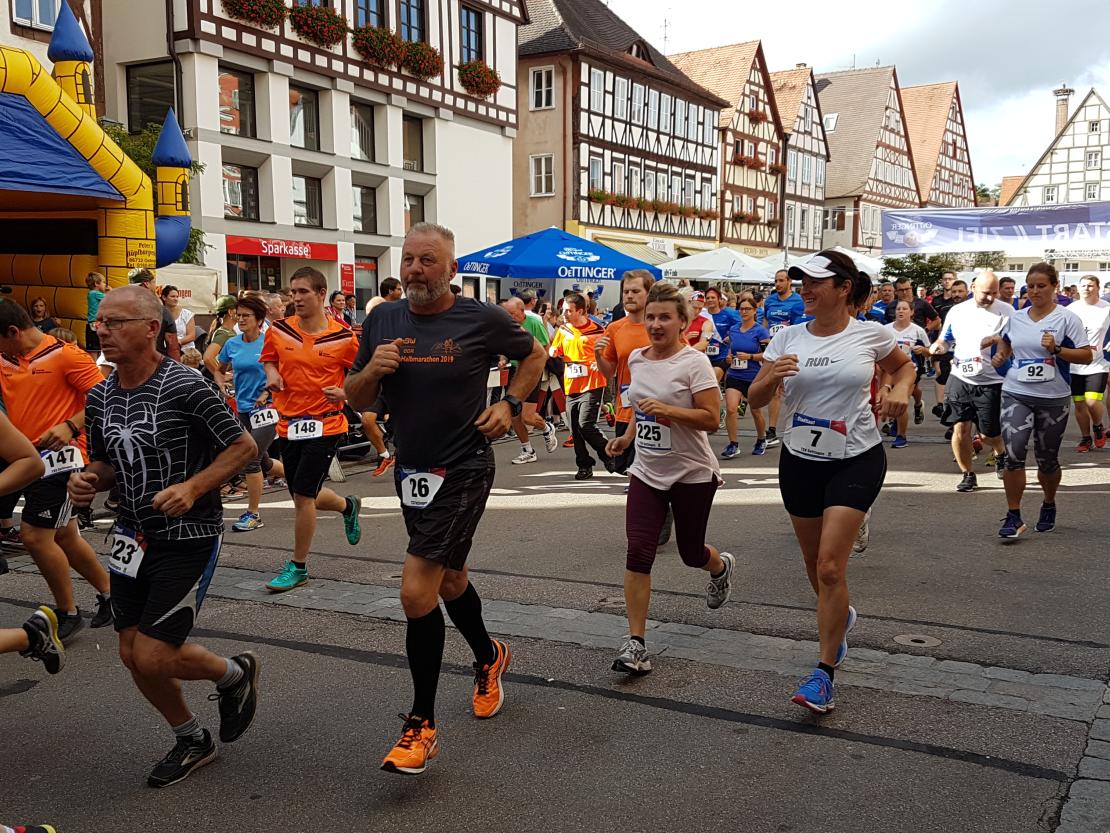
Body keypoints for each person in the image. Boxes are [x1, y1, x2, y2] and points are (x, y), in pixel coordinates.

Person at [345, 222, 546, 775]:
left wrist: (510, 403)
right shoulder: (382, 318)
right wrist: (373, 370)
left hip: (464, 466)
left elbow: (535, 356)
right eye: (409, 259)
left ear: (451, 270)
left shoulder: (481, 318)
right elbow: (355, 394)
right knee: (450, 580)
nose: (415, 269)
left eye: (428, 260)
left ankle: (421, 726)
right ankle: (489, 656)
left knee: (416, 592)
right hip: (411, 469)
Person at [68, 284, 261, 788]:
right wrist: (88, 479)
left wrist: (193, 487)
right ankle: (191, 737)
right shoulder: (99, 395)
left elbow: (243, 447)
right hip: (130, 536)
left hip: (188, 534)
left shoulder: (186, 385)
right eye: (100, 322)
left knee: (152, 654)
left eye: (115, 322)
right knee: (130, 653)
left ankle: (233, 674)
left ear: (152, 327)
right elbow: (107, 462)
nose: (101, 330)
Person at [749, 251, 914, 714]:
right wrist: (771, 377)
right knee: (812, 562)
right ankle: (839, 617)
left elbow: (903, 367)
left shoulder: (871, 333)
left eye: (815, 282)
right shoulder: (787, 336)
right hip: (800, 458)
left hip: (856, 457)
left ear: (843, 288)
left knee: (828, 567)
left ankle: (823, 672)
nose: (805, 288)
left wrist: (899, 389)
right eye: (802, 281)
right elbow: (755, 397)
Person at [605, 283, 734, 675]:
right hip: (647, 471)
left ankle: (719, 568)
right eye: (651, 317)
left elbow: (711, 419)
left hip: (692, 472)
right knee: (638, 551)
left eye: (665, 317)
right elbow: (639, 408)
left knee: (691, 554)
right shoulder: (638, 359)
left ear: (682, 322)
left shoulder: (694, 363)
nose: (656, 324)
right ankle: (636, 644)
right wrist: (627, 437)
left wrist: (669, 411)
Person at [0, 302, 112, 641]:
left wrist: (70, 425)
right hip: (22, 458)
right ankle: (113, 594)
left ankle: (68, 612)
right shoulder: (5, 358)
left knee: (35, 536)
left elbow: (104, 398)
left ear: (13, 332)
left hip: (62, 458)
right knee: (64, 536)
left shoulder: (66, 355)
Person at [259, 267, 362, 591]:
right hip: (289, 423)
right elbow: (269, 358)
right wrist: (271, 374)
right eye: (293, 292)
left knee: (303, 496)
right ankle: (348, 506)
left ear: (321, 294)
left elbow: (361, 375)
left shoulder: (343, 337)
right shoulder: (279, 330)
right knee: (304, 493)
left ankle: (298, 566)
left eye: (303, 291)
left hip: (326, 423)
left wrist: (345, 392)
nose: (296, 298)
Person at [987, 263, 1092, 538]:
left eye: (1041, 286)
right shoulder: (1017, 317)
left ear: (1054, 287)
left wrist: (1056, 349)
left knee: (1047, 460)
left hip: (1053, 397)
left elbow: (1086, 355)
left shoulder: (1067, 319)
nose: (1035, 291)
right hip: (1016, 392)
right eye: (1031, 286)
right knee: (1014, 455)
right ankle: (1013, 516)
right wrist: (1002, 355)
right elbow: (1006, 341)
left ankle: (1048, 503)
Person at [931, 271, 1012, 491]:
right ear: (973, 287)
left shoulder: (1007, 311)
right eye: (986, 293)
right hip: (960, 376)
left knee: (988, 435)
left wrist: (1003, 353)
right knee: (960, 428)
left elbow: (1013, 343)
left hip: (992, 380)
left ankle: (1000, 453)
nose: (990, 298)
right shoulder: (958, 311)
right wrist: (939, 347)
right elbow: (945, 339)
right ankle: (967, 473)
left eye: (994, 293)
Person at [0, 409, 64, 675]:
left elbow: (29, 462)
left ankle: (33, 636)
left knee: (50, 536)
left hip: (57, 461)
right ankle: (32, 637)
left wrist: (71, 427)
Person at [215, 294, 283, 532]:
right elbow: (219, 369)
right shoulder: (232, 344)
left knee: (251, 458)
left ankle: (253, 514)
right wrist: (221, 384)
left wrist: (266, 392)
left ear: (259, 319)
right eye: (238, 315)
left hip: (268, 408)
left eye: (246, 316)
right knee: (264, 462)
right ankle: (302, 481)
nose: (241, 320)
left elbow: (283, 374)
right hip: (243, 409)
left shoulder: (270, 342)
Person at [549, 291, 613, 480]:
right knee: (575, 430)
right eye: (563, 310)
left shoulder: (598, 330)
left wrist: (599, 362)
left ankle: (608, 455)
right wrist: (553, 351)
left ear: (581, 311)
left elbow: (610, 354)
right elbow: (556, 348)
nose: (564, 314)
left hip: (593, 383)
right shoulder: (564, 330)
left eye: (568, 311)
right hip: (571, 384)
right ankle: (584, 465)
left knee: (585, 425)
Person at [596, 270, 654, 475]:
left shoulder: (659, 326)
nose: (629, 296)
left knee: (646, 470)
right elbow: (609, 372)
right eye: (626, 291)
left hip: (656, 409)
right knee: (626, 467)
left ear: (649, 294)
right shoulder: (614, 328)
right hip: (626, 407)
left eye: (635, 291)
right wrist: (598, 355)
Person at [500, 298, 557, 464]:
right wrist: (503, 359)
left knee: (527, 417)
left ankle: (547, 428)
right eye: (507, 314)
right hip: (514, 370)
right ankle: (528, 450)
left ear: (522, 311)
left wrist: (537, 367)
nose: (510, 317)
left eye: (512, 314)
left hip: (531, 371)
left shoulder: (534, 323)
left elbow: (546, 349)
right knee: (514, 415)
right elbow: (504, 347)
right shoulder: (506, 325)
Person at [759, 270, 807, 447]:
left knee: (790, 388)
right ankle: (772, 430)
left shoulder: (798, 301)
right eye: (776, 281)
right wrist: (763, 337)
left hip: (791, 348)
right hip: (772, 348)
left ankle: (797, 424)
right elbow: (765, 321)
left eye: (781, 280)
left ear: (789, 282)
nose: (777, 284)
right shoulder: (770, 301)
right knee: (775, 388)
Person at [722, 298, 770, 457]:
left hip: (753, 376)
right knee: (731, 409)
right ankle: (733, 444)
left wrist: (750, 357)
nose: (744, 312)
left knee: (755, 410)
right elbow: (732, 349)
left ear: (755, 310)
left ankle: (761, 439)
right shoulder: (734, 329)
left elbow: (767, 355)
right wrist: (729, 357)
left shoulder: (760, 331)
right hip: (734, 374)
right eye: (741, 309)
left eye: (748, 309)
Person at [1067, 275, 1110, 452]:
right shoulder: (1070, 309)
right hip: (1075, 363)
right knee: (1079, 403)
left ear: (1098, 288)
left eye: (1091, 285)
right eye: (1083, 285)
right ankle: (1085, 438)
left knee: (1092, 401)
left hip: (1098, 362)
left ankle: (1098, 426)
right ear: (1078, 288)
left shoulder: (1106, 308)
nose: (1087, 288)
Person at [882, 300, 930, 448]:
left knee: (902, 401)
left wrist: (922, 350)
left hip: (909, 370)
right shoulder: (885, 330)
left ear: (911, 312)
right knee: (889, 399)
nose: (901, 311)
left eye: (904, 309)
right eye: (898, 309)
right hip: (889, 369)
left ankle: (901, 436)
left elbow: (930, 351)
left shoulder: (918, 331)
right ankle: (899, 420)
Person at [128, 269, 181, 360]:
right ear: (146, 284)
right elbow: (172, 347)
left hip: (128, 362)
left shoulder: (122, 309)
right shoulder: (162, 311)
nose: (155, 285)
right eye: (153, 282)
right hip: (154, 362)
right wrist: (176, 366)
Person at [702, 287, 738, 380]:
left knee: (713, 380)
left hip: (722, 356)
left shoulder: (728, 314)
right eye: (708, 298)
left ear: (719, 299)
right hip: (704, 356)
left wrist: (731, 336)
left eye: (713, 297)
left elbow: (741, 328)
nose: (710, 300)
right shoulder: (701, 314)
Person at [202, 296, 238, 376]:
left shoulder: (230, 331)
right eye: (237, 309)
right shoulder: (224, 333)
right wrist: (222, 376)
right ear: (230, 312)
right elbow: (207, 358)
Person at [85, 272, 107, 353]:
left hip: (92, 323)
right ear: (96, 284)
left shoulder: (91, 293)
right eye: (103, 282)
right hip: (95, 324)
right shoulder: (95, 293)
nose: (105, 285)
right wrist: (111, 291)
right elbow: (110, 298)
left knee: (95, 349)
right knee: (95, 349)